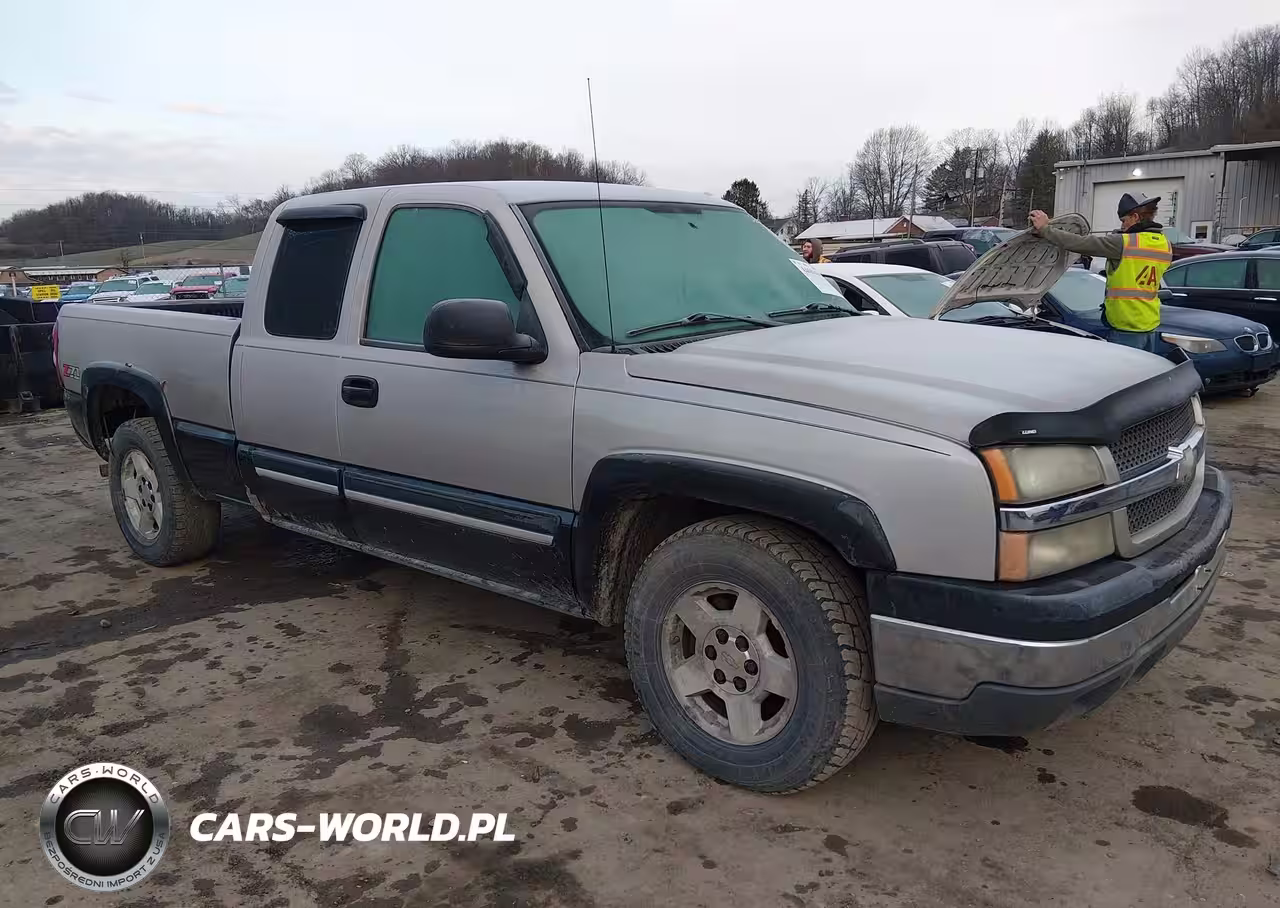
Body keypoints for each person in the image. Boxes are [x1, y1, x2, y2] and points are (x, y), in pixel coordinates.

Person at [1028, 193, 1171, 352]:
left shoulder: (1124, 243)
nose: (1122, 226)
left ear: (1135, 217)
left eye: (1124, 221)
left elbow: (1081, 243)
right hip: (1149, 324)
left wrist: (1045, 229)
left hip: (1126, 327)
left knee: (1121, 376)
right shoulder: (1164, 244)